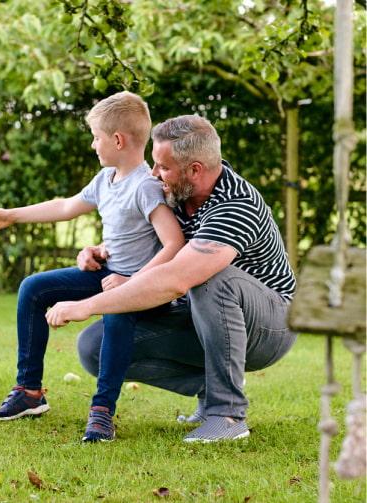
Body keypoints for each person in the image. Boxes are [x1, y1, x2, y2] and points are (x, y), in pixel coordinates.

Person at [46, 114, 297, 443]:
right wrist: (102, 250)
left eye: (162, 167)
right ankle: (211, 387)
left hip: (270, 327)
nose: (153, 174)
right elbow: (153, 242)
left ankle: (228, 413)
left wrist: (86, 306)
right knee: (95, 346)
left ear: (195, 169)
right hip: (203, 316)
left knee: (210, 277)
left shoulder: (235, 205)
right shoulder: (180, 192)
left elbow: (178, 278)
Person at [0, 92, 184, 442]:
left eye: (96, 137)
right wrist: (11, 216)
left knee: (118, 310)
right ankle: (29, 392)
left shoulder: (145, 187)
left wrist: (132, 283)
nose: (93, 144)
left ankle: (102, 411)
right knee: (33, 288)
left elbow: (175, 244)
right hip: (107, 274)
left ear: (117, 140)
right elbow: (65, 206)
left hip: (143, 286)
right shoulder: (106, 180)